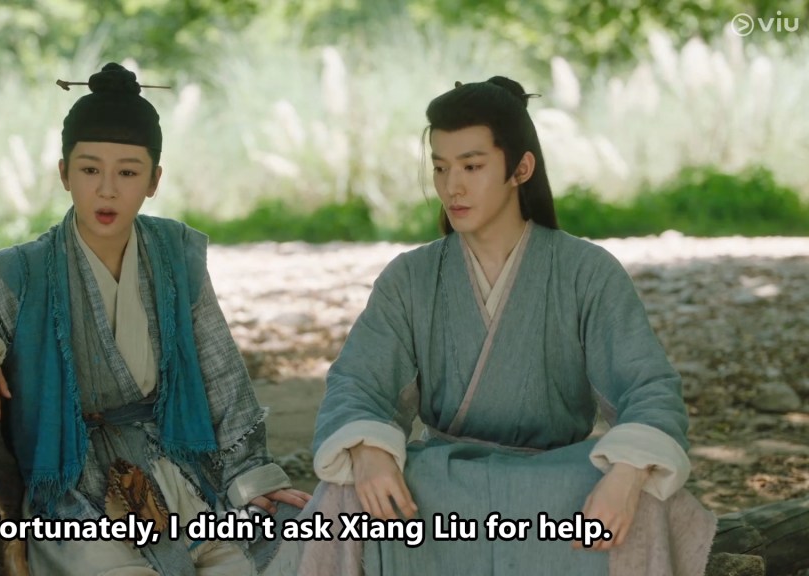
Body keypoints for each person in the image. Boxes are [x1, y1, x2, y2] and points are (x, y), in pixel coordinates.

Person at [294, 76, 716, 575]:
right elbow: (358, 384)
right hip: (441, 484)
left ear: (521, 168)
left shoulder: (587, 271)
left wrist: (625, 475)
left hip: (557, 483)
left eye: (472, 166)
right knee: (348, 490)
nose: (452, 186)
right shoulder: (410, 277)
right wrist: (368, 451)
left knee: (644, 492)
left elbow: (648, 387)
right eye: (440, 167)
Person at [0, 62, 310, 576]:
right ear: (64, 173)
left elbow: (221, 372)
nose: (106, 190)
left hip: (174, 464)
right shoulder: (26, 269)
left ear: (154, 180)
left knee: (276, 553)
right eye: (89, 170)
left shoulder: (175, 253)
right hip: (77, 485)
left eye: (127, 172)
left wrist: (251, 476)